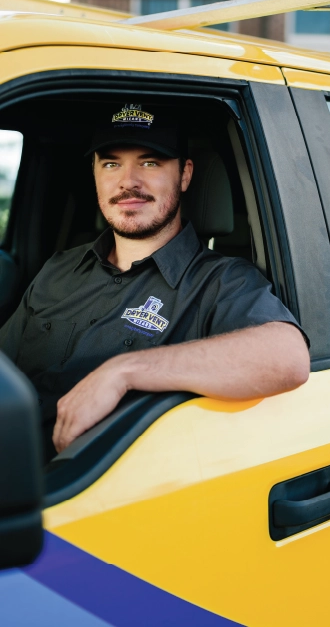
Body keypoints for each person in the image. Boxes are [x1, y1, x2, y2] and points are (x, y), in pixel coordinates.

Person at [0, 103, 310, 460]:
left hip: (89, 490)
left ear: (185, 174)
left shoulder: (220, 282)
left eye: (150, 162)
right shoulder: (59, 269)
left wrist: (124, 371)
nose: (128, 181)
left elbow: (287, 357)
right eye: (111, 163)